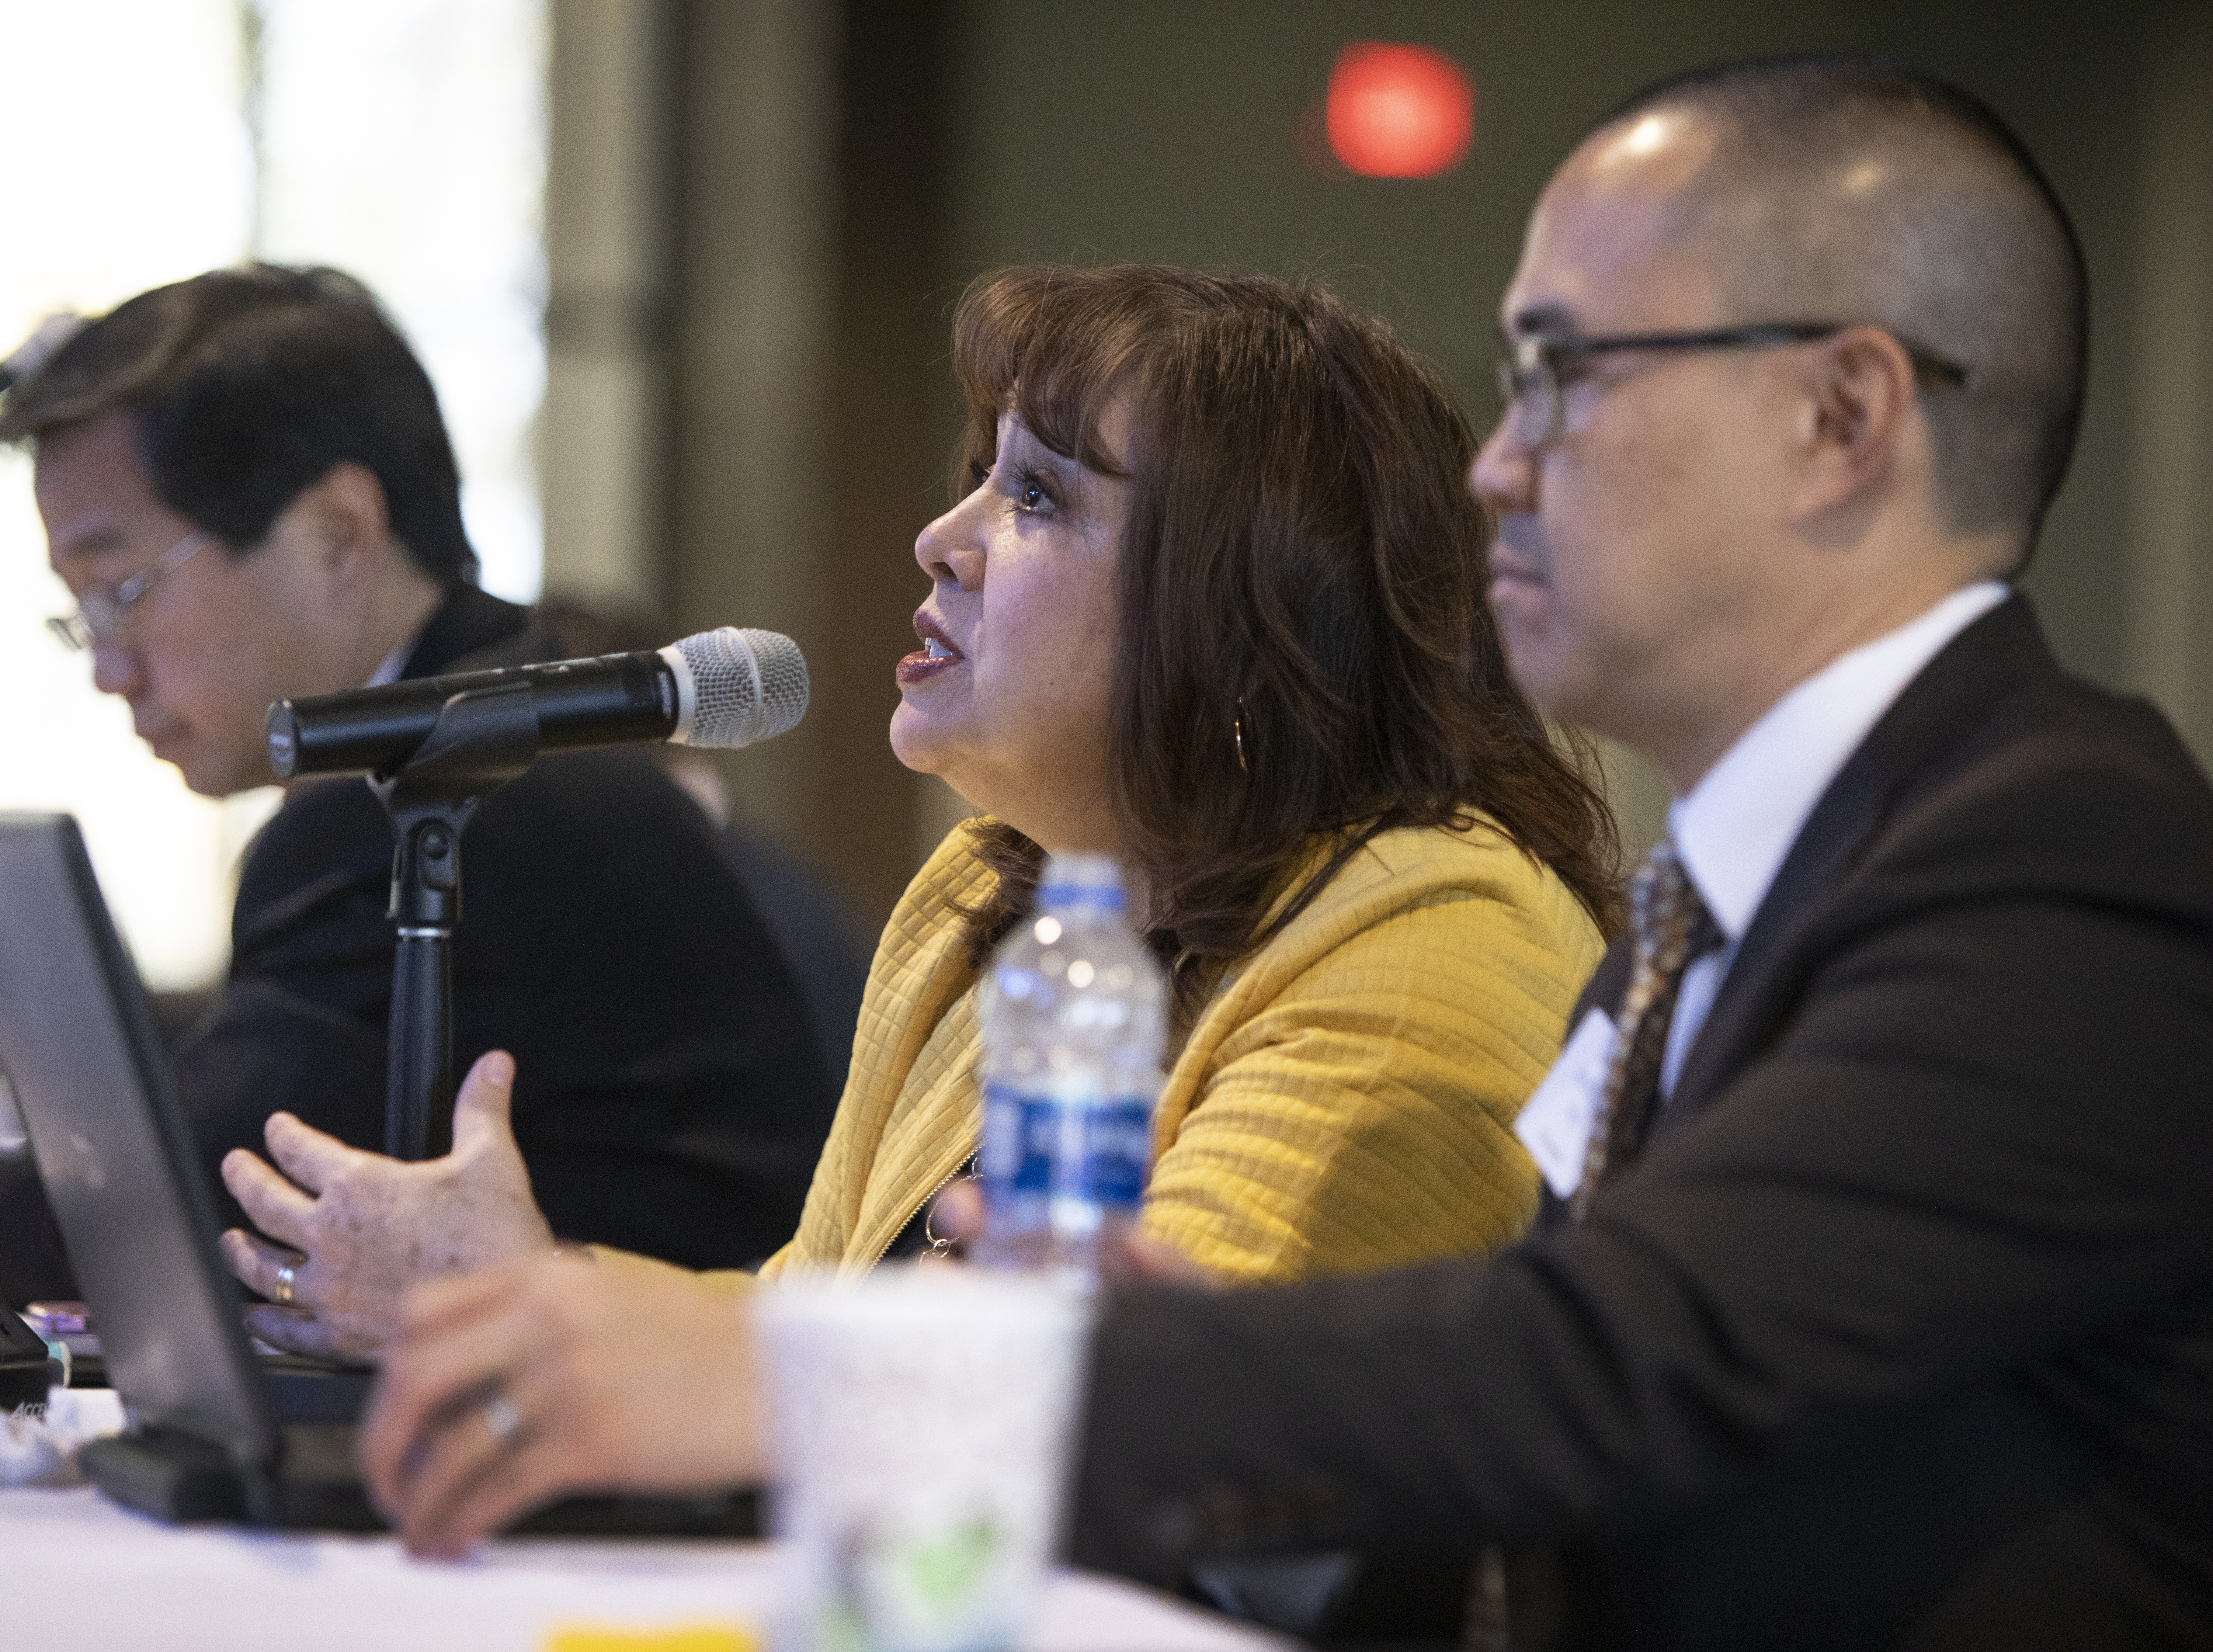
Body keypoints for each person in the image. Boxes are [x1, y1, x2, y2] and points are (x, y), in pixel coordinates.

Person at [365, 55, 2213, 1646]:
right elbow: (1502, 1485)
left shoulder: (2061, 866)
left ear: (1841, 420)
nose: (1503, 463)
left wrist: (864, 1376)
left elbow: (1606, 1371)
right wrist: (1132, 1348)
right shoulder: (1736, 886)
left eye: (1570, 374)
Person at [329, 262, 1620, 1551]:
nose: (942, 539)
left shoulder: (1440, 929)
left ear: (1246, 622)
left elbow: (1156, 1427)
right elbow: (814, 1308)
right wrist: (531, 1301)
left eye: (1040, 497)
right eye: (986, 476)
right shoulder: (995, 892)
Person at [0, 266, 846, 1306]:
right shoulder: (468, 734)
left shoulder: (451, 788)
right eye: (81, 612)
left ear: (337, 534)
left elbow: (180, 1199)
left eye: (122, 590)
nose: (108, 667)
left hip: (669, 1447)